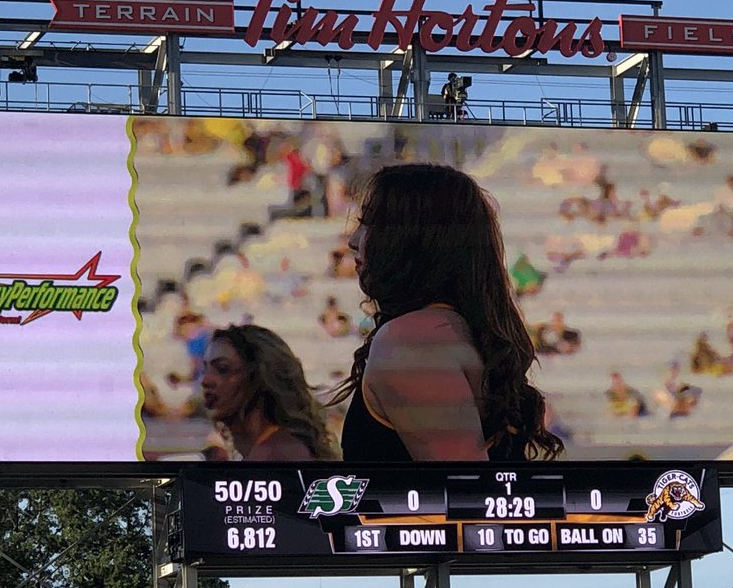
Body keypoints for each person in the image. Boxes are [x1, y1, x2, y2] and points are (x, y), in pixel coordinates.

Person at [334, 163, 564, 462]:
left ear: (411, 239)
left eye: (370, 224)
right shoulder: (452, 329)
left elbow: (468, 495)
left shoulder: (413, 341)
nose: (353, 241)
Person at [200, 325, 340, 461]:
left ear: (260, 378)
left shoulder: (279, 455)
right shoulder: (273, 448)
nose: (205, 381)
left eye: (222, 368)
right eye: (205, 369)